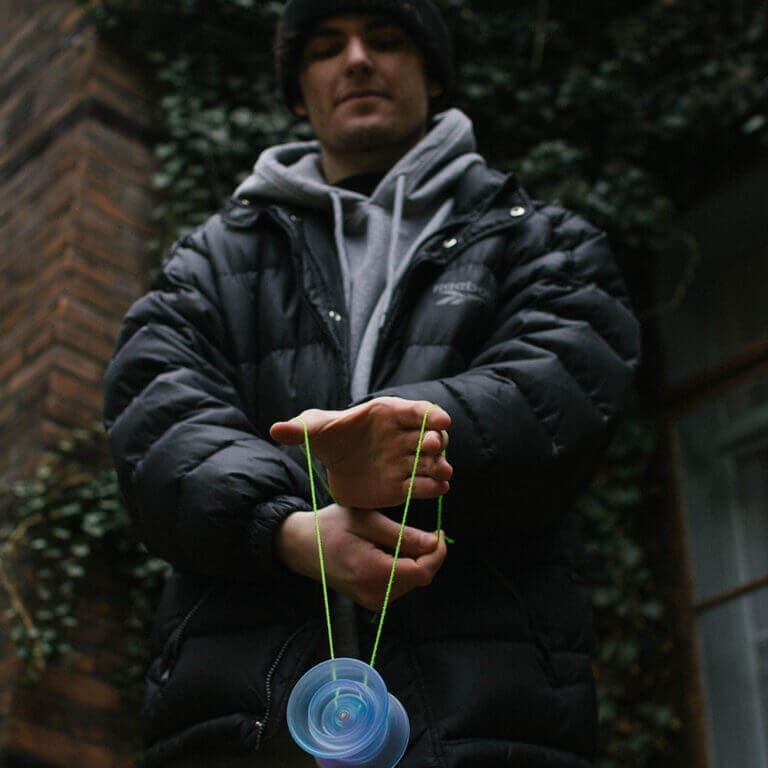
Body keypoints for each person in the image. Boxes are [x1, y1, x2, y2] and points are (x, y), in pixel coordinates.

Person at [103, 0, 640, 765]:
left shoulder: (541, 239)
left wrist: (396, 445)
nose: (357, 60)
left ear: (433, 74)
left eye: (386, 40)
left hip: (488, 719)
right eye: (326, 48)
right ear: (299, 91)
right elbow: (156, 422)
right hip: (236, 726)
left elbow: (562, 389)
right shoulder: (206, 264)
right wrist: (290, 528)